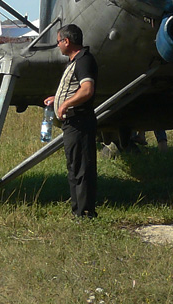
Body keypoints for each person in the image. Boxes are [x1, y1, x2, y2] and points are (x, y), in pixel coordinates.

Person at [44, 24, 98, 219]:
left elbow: (86, 89)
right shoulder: (74, 61)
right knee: (74, 166)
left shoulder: (84, 60)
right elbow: (74, 87)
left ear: (66, 41)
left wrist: (66, 103)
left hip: (80, 121)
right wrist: (57, 98)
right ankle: (78, 210)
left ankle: (85, 212)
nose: (58, 45)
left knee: (82, 167)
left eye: (59, 41)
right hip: (72, 123)